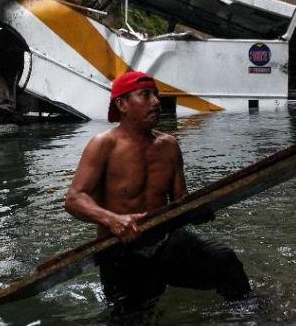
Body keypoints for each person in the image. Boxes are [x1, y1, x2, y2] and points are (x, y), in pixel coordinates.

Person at [64, 71, 251, 313]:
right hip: (120, 249)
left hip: (165, 240)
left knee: (225, 261)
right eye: (145, 95)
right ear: (122, 104)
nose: (155, 101)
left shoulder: (169, 145)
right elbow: (73, 199)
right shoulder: (103, 144)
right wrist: (113, 220)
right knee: (131, 313)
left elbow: (180, 200)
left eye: (155, 95)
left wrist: (199, 210)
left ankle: (250, 317)